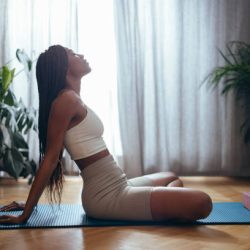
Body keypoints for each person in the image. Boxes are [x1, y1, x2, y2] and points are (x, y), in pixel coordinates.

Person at [0, 45, 212, 224]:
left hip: (121, 184)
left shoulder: (73, 99)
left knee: (172, 177)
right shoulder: (66, 101)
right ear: (64, 68)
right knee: (203, 202)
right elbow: (51, 159)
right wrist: (26, 213)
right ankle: (163, 208)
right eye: (73, 54)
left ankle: (163, 208)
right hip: (106, 196)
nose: (80, 55)